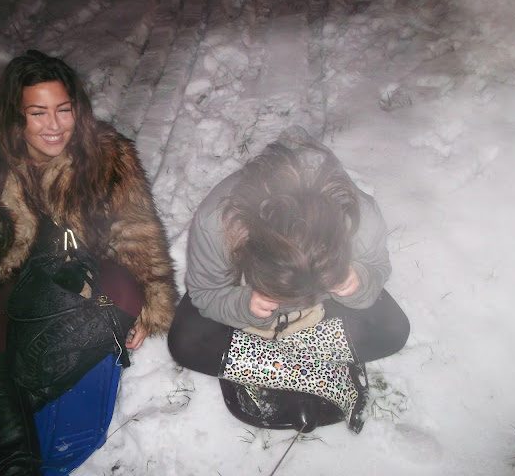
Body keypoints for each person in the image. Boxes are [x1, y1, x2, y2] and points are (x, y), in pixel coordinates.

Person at [0, 50, 177, 475]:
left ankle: (7, 396)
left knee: (126, 290)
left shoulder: (107, 155)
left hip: (83, 273)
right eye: (38, 113)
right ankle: (16, 463)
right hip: (15, 282)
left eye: (64, 109)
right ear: (15, 115)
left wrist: (151, 302)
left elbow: (135, 232)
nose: (55, 125)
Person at [168, 125, 409, 432]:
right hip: (257, 312)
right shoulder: (215, 223)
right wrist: (245, 303)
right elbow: (205, 293)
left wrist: (357, 281)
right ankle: (322, 376)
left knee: (394, 330)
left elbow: (377, 267)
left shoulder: (362, 218)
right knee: (184, 342)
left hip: (323, 313)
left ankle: (261, 361)